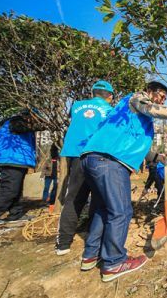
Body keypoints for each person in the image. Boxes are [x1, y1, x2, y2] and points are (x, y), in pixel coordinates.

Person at [80, 81, 167, 282]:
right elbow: (151, 109)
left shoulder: (133, 117)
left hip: (94, 159)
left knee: (104, 209)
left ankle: (91, 255)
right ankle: (113, 262)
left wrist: (156, 157)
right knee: (121, 211)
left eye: (165, 98)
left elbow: (135, 143)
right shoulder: (137, 98)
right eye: (159, 95)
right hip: (109, 160)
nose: (161, 100)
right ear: (149, 91)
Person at [55, 80, 114, 256]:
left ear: (93, 93)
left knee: (74, 198)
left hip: (76, 155)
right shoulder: (110, 111)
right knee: (99, 197)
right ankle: (93, 237)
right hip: (97, 156)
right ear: (109, 97)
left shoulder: (76, 106)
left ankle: (63, 243)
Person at [0, 109, 47, 227]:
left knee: (16, 190)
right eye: (35, 119)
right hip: (11, 160)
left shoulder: (20, 122)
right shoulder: (16, 121)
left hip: (17, 160)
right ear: (28, 116)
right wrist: (39, 127)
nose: (36, 122)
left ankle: (15, 214)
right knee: (10, 190)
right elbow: (18, 128)